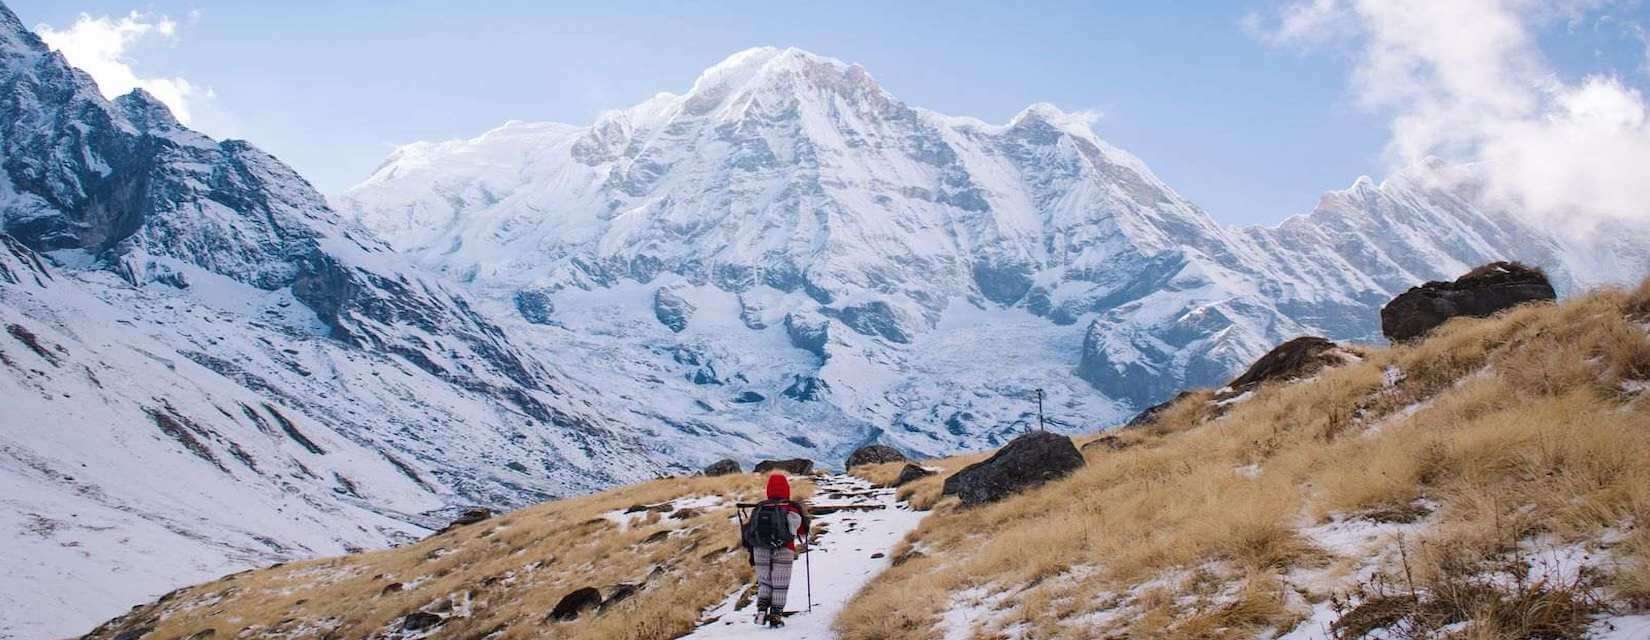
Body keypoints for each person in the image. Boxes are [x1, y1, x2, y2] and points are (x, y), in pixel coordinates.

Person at [744, 473, 810, 628]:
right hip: (784, 548)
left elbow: (750, 530)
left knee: (764, 581)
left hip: (760, 548)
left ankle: (761, 610)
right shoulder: (791, 507)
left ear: (768, 489)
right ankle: (775, 616)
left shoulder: (760, 507)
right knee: (780, 583)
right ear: (786, 489)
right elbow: (801, 531)